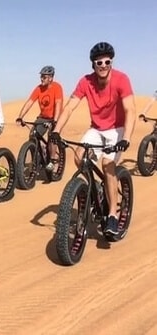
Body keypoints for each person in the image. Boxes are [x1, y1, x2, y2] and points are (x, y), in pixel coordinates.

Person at [50, 42, 136, 235]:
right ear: (93, 65)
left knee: (108, 165)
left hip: (118, 129)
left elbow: (130, 109)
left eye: (107, 61)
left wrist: (126, 138)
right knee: (80, 157)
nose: (103, 65)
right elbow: (70, 107)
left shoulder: (122, 79)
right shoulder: (85, 82)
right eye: (99, 62)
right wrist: (56, 131)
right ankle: (97, 188)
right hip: (97, 129)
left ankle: (112, 215)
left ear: (111, 62)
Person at [15, 65, 64, 171]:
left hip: (56, 116)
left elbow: (58, 103)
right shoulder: (38, 88)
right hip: (43, 117)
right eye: (41, 76)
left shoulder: (57, 87)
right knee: (33, 136)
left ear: (51, 78)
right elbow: (30, 102)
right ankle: (36, 161)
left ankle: (52, 160)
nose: (42, 79)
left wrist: (55, 121)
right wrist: (20, 116)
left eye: (44, 77)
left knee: (52, 137)